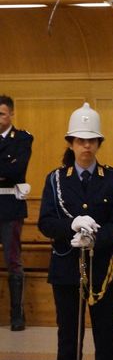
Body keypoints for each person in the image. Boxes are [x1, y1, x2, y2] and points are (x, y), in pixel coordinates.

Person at [38, 103, 113, 360]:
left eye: (91, 140)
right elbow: (46, 222)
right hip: (67, 270)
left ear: (99, 143)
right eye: (80, 140)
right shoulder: (55, 180)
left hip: (104, 270)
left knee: (107, 338)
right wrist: (71, 227)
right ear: (71, 143)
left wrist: (95, 239)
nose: (86, 146)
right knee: (68, 340)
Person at [0, 94, 32, 331]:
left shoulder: (22, 138)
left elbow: (16, 170)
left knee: (13, 260)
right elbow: (8, 170)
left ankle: (17, 315)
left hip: (10, 205)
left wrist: (8, 172)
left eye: (1, 114)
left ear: (11, 114)